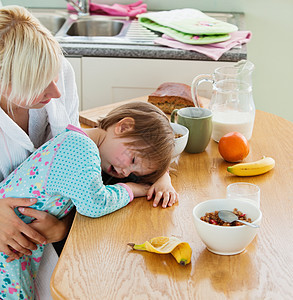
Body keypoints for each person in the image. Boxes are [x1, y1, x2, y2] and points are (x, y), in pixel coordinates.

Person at [0, 5, 178, 296]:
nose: (56, 92)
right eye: (40, 85)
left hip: (48, 238)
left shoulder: (57, 73)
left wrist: (159, 174)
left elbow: (92, 148)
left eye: (54, 75)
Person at [0, 101, 176, 299]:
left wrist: (162, 178)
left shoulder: (77, 141)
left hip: (18, 243)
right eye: (133, 161)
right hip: (7, 243)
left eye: (134, 172)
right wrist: (132, 190)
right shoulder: (81, 149)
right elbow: (94, 204)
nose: (126, 172)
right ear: (123, 126)